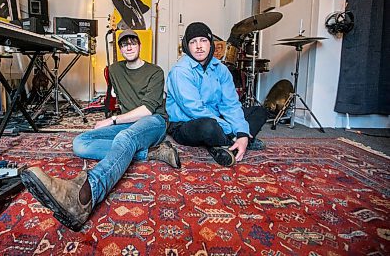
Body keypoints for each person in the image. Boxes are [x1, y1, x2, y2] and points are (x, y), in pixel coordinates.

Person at [21, 29, 180, 231]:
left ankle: (86, 194)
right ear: (120, 49)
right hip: (127, 124)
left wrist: (112, 120)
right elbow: (112, 98)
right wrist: (113, 117)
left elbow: (148, 109)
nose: (129, 47)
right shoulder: (114, 70)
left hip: (153, 122)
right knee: (80, 143)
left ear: (140, 46)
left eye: (133, 42)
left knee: (125, 136)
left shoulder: (155, 71)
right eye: (124, 44)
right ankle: (151, 153)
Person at [166, 22, 268, 167]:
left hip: (217, 117)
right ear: (187, 46)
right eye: (193, 42)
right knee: (208, 127)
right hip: (186, 123)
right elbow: (194, 109)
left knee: (259, 112)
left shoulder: (221, 69)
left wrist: (242, 132)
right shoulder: (180, 71)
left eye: (203, 40)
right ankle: (235, 141)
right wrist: (231, 129)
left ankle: (234, 142)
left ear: (210, 44)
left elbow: (230, 104)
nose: (199, 46)